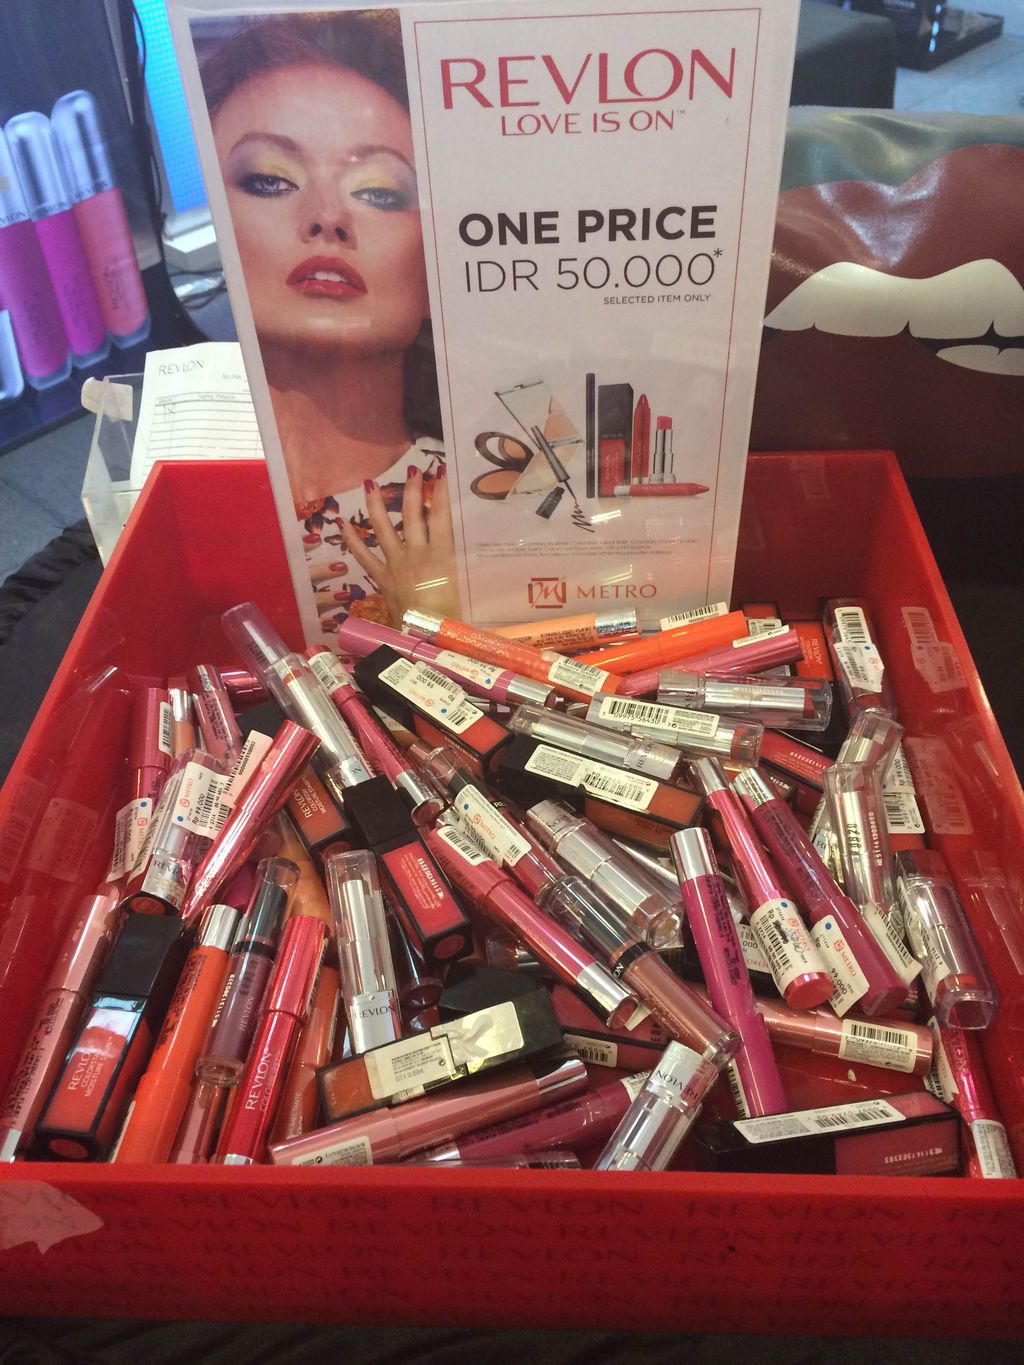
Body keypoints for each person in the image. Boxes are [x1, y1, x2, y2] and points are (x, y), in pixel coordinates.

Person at [200, 11, 460, 629]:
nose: (326, 216)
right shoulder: (178, 485)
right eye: (269, 180)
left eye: (380, 192)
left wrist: (440, 625)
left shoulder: (485, 497)